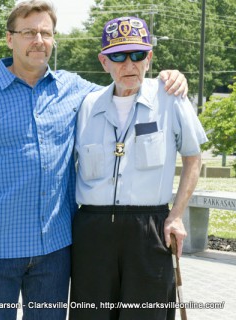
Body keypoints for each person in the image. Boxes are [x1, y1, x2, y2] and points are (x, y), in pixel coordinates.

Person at [0, 1, 187, 319]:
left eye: (46, 32)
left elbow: (125, 83)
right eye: (29, 32)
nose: (38, 40)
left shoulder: (75, 90)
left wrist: (169, 78)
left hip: (55, 249)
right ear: (9, 38)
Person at [70, 16, 207, 320]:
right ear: (104, 62)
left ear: (150, 58)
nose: (128, 64)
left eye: (137, 55)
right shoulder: (87, 105)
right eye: (118, 56)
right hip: (93, 230)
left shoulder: (170, 97)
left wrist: (176, 216)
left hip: (149, 228)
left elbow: (193, 157)